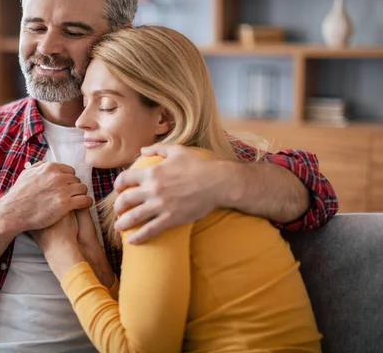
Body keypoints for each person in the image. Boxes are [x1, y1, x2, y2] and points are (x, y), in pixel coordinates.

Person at [0, 0, 336, 352]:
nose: (46, 47)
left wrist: (219, 181)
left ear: (119, 36)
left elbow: (315, 193)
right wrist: (9, 214)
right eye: (35, 26)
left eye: (72, 30)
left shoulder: (157, 144)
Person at [33, 25, 322, 352]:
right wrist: (98, 267)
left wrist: (63, 257)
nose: (82, 120)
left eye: (107, 105)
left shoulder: (158, 178)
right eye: (85, 101)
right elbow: (157, 326)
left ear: (165, 117)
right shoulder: (196, 164)